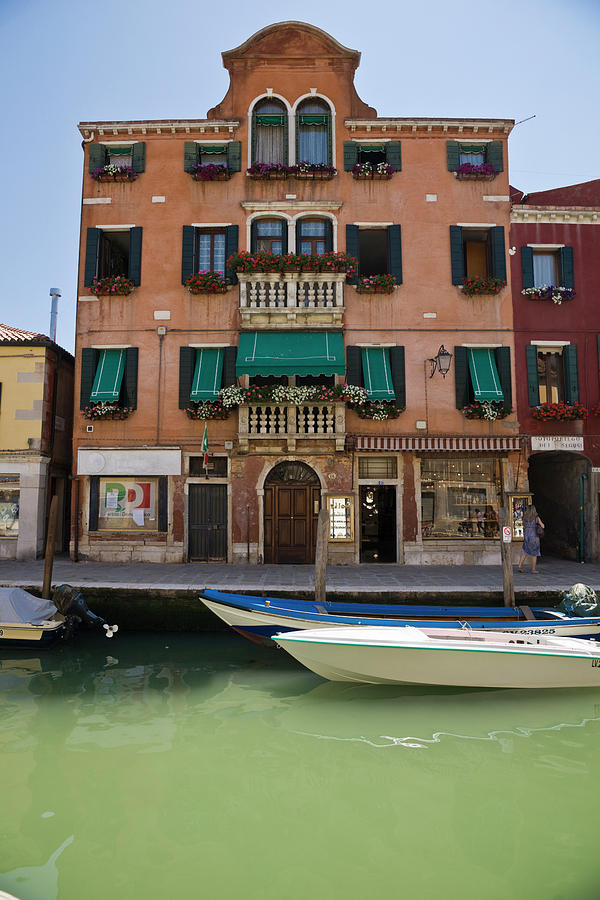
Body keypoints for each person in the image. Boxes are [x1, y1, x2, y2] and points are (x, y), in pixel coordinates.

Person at [518, 505, 545, 573]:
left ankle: (520, 566)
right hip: (534, 536)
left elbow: (523, 525)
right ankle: (533, 569)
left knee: (524, 551)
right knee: (535, 553)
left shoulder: (524, 518)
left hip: (527, 535)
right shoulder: (536, 518)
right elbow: (543, 526)